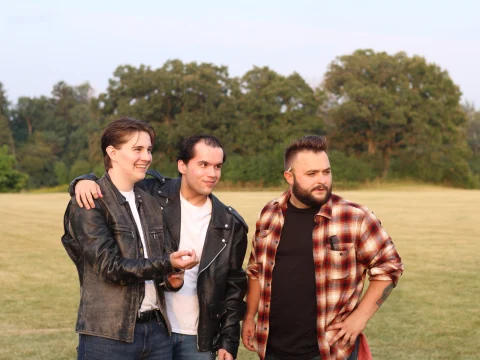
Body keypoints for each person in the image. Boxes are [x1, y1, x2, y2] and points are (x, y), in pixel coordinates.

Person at [70, 134, 249, 360]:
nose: (212, 174)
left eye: (217, 166)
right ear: (182, 165)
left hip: (197, 337)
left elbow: (234, 286)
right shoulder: (151, 194)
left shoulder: (230, 223)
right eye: (203, 165)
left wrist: (228, 341)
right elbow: (116, 180)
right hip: (153, 327)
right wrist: (83, 180)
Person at [241, 135, 403, 360]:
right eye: (311, 174)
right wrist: (249, 316)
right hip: (272, 349)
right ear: (289, 176)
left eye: (326, 172)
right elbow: (256, 271)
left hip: (330, 350)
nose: (322, 180)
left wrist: (360, 318)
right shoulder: (270, 213)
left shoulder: (355, 216)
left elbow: (389, 266)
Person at [61, 117, 199, 360]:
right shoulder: (89, 202)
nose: (146, 157)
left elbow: (155, 262)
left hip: (157, 333)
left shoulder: (150, 199)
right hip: (108, 336)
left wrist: (170, 280)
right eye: (137, 149)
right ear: (112, 152)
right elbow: (110, 267)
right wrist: (169, 263)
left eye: (148, 150)